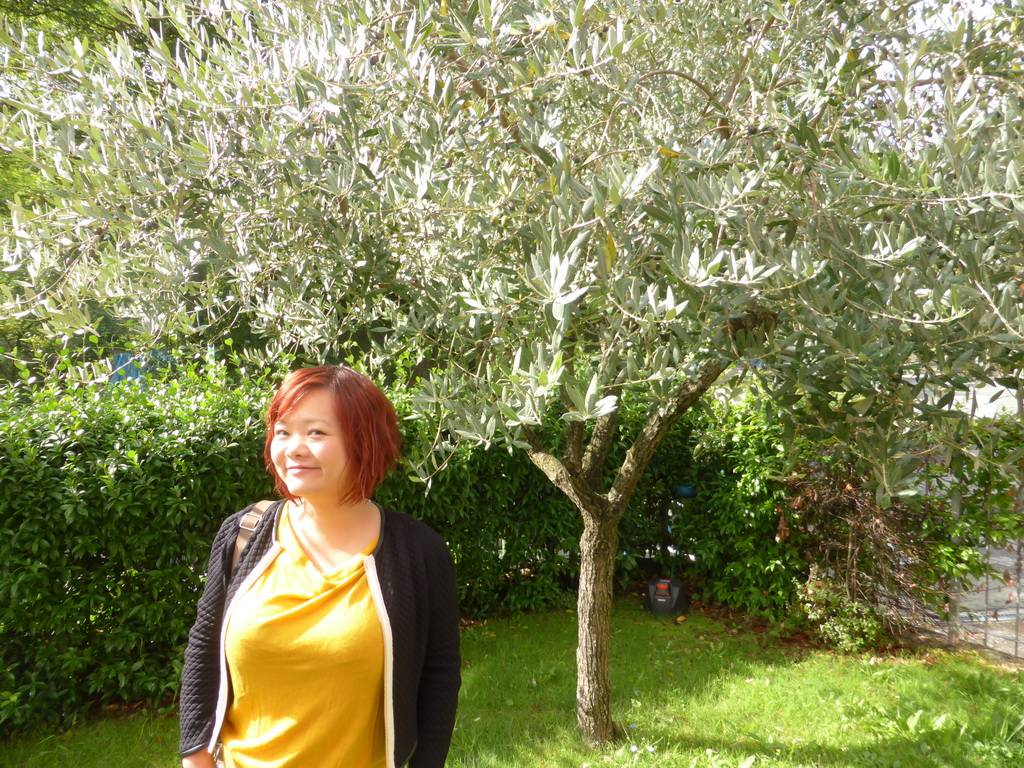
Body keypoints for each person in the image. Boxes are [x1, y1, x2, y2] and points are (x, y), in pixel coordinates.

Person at [179, 366, 461, 768]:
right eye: (283, 431)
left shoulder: (418, 551)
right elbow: (204, 646)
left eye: (316, 432)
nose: (293, 448)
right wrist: (197, 756)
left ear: (364, 441)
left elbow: (439, 677)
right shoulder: (244, 533)